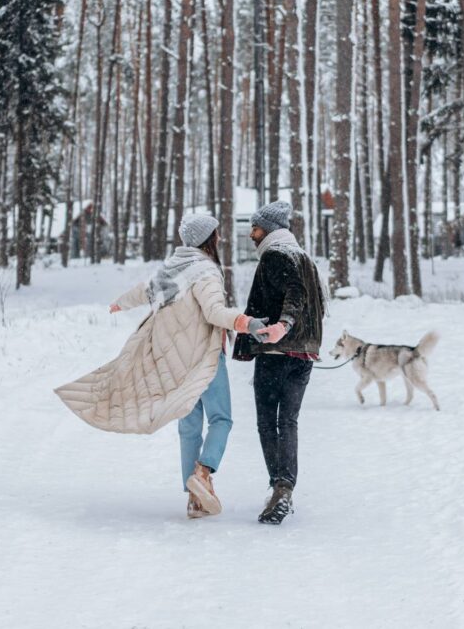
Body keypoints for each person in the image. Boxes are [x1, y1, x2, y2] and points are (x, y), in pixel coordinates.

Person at [55, 214, 267, 519]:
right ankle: (204, 473)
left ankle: (194, 500)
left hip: (177, 364)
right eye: (216, 234)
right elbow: (214, 311)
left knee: (190, 426)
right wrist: (247, 323)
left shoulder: (173, 268)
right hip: (204, 358)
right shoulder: (205, 271)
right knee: (221, 419)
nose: (219, 239)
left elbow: (144, 290)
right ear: (208, 239)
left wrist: (120, 303)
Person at [233, 201, 325, 525]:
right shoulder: (305, 258)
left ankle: (280, 487)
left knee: (266, 422)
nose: (251, 234)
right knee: (288, 422)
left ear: (269, 230)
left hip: (276, 353)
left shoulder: (276, 254)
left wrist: (282, 326)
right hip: (305, 356)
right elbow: (316, 302)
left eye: (255, 228)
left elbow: (295, 293)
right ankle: (283, 486)